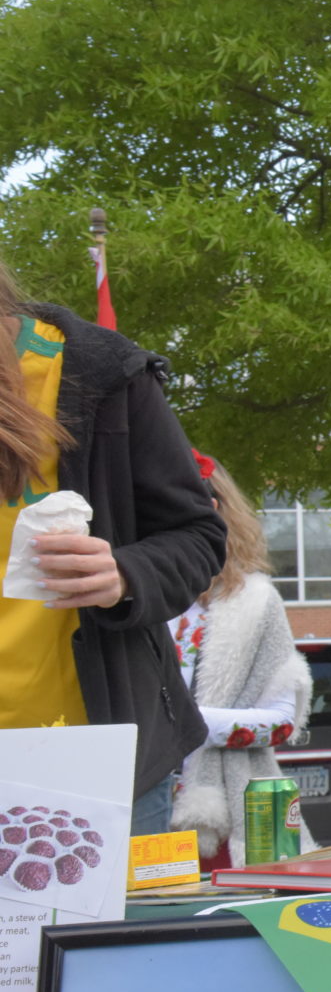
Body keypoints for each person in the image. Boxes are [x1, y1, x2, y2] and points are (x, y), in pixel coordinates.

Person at [0, 258, 224, 828]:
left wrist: (124, 575)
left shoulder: (99, 372)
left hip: (91, 766)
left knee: (103, 923)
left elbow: (198, 534)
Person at [165, 452, 312, 866]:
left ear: (212, 510)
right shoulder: (126, 598)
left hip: (235, 817)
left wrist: (191, 724)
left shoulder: (255, 600)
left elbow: (284, 720)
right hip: (141, 812)